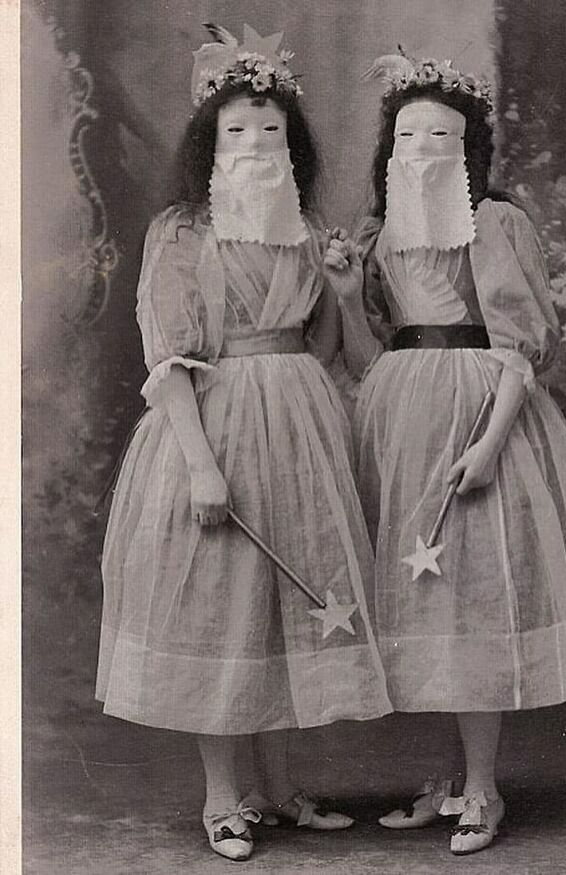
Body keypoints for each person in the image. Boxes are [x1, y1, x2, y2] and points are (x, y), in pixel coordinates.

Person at [324, 50, 566, 856]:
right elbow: (366, 354)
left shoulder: (496, 222)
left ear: (468, 147)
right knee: (420, 601)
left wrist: (489, 444)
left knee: (468, 593)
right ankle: (445, 778)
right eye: (408, 135)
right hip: (401, 413)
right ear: (389, 147)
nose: (422, 148)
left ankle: (483, 786)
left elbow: (522, 349)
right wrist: (345, 295)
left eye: (442, 134)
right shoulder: (380, 234)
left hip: (479, 408)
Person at [95, 24, 391, 862]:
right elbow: (169, 358)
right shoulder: (182, 231)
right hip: (215, 424)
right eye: (237, 130)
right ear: (210, 142)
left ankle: (279, 789)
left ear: (291, 144)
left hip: (300, 430)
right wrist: (200, 465)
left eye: (270, 130)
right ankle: (223, 796)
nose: (256, 144)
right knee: (221, 610)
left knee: (285, 609)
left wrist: (340, 290)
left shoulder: (303, 228)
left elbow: (325, 350)